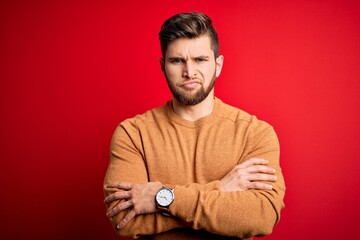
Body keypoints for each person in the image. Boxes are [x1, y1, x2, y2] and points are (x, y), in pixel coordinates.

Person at [103, 11, 285, 240]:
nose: (189, 72)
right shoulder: (133, 133)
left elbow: (261, 216)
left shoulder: (255, 133)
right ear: (162, 66)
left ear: (218, 65)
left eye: (200, 59)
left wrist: (161, 197)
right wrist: (221, 189)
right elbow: (124, 220)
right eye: (177, 60)